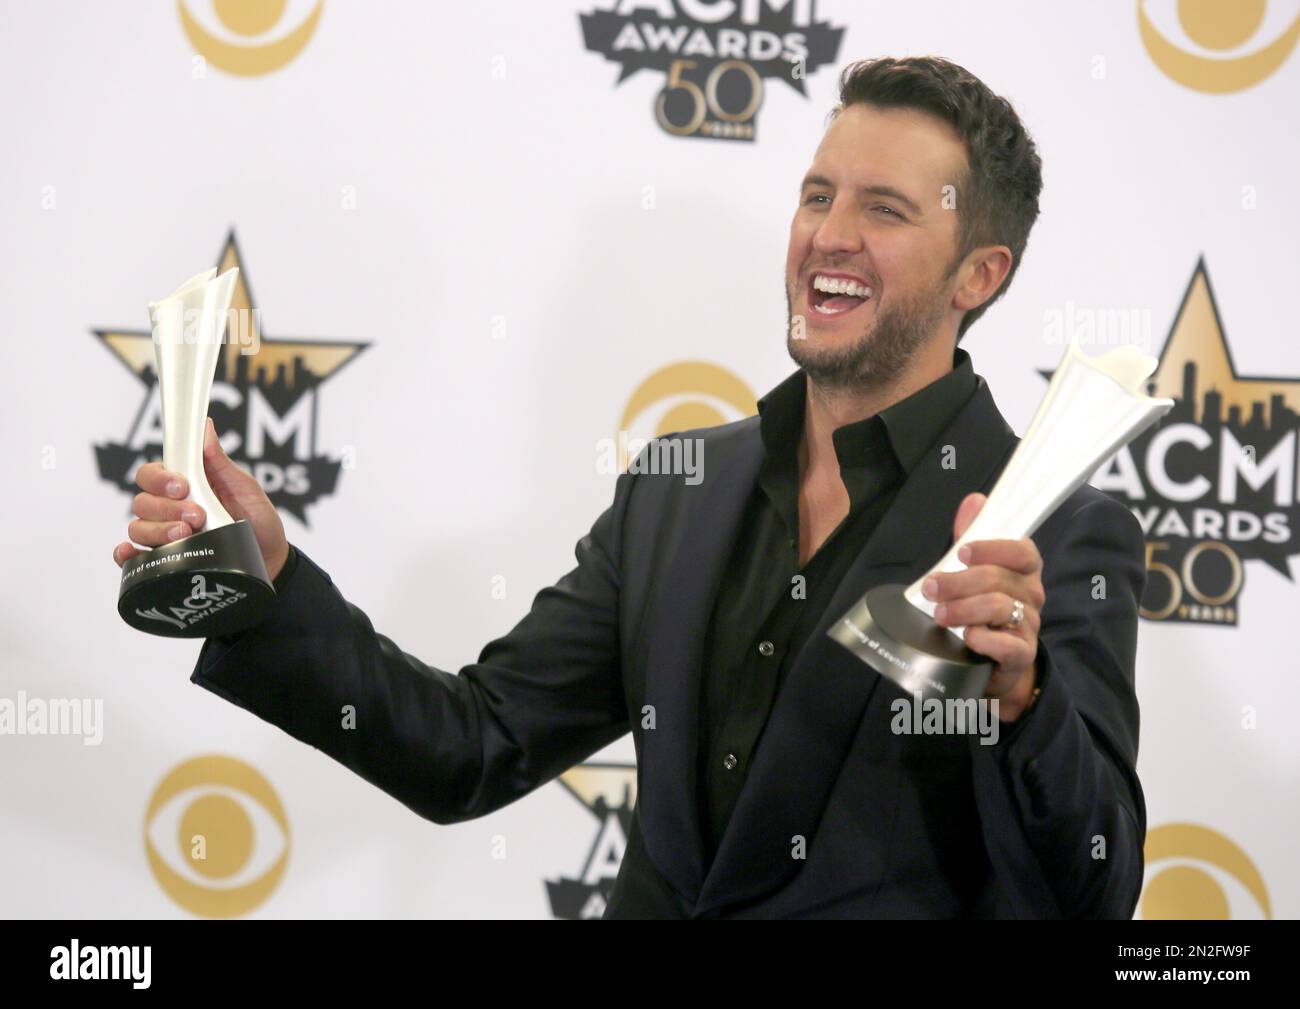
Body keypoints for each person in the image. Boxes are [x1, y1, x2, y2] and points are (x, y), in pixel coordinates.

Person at [112, 56, 1148, 919]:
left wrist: (1023, 704)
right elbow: (473, 746)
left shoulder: (1056, 533)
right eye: (816, 194)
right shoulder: (680, 487)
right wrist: (276, 575)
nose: (830, 235)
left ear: (979, 275)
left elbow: (1097, 891)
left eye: (884, 209)